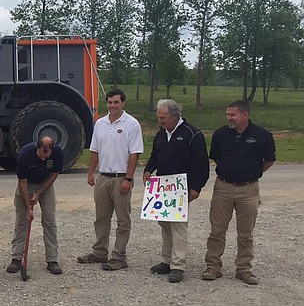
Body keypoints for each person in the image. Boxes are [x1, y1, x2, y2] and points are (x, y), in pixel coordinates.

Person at [203, 100, 275, 285]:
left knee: (245, 233)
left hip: (249, 189)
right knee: (217, 230)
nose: (229, 118)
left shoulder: (262, 135)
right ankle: (213, 266)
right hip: (223, 188)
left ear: (245, 115)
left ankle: (244, 269)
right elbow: (217, 157)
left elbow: (269, 160)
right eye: (228, 114)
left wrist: (251, 173)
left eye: (233, 115)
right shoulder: (220, 134)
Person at [142, 99, 209, 283]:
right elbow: (155, 155)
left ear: (175, 115)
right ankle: (166, 260)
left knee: (178, 226)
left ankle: (178, 265)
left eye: (163, 118)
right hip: (163, 188)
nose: (160, 121)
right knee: (164, 224)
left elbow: (202, 164)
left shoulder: (192, 134)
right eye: (158, 118)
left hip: (182, 188)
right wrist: (148, 169)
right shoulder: (161, 134)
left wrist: (196, 188)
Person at [78, 88, 143, 271]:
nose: (112, 106)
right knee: (101, 218)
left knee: (123, 220)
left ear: (123, 103)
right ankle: (99, 252)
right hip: (103, 177)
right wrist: (91, 172)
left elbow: (134, 154)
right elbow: (94, 150)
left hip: (121, 177)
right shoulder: (100, 123)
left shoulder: (132, 124)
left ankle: (119, 257)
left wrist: (128, 179)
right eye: (109, 102)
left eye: (116, 102)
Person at [7, 136, 64, 276]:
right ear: (37, 148)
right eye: (41, 154)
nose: (44, 158)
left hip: (45, 185)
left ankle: (52, 259)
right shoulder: (25, 155)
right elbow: (22, 183)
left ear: (52, 149)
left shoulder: (58, 153)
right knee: (22, 221)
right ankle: (16, 258)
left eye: (47, 155)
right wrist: (28, 208)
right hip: (27, 184)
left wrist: (39, 193)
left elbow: (54, 174)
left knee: (50, 220)